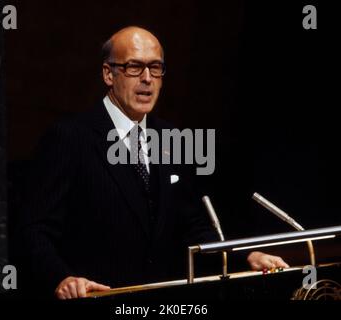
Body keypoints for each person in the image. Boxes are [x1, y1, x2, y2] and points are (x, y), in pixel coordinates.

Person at [16, 26, 288, 300]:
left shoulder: (172, 139)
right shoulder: (70, 137)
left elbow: (192, 227)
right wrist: (60, 278)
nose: (147, 78)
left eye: (155, 68)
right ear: (108, 74)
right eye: (134, 67)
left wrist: (244, 257)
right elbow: (34, 229)